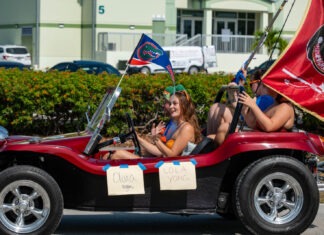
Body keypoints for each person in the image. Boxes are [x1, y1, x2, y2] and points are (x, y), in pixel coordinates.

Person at [107, 90, 202, 159]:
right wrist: (139, 138)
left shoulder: (187, 128)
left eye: (175, 103)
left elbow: (172, 155)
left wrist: (155, 139)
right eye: (170, 103)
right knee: (110, 154)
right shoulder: (177, 125)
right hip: (160, 163)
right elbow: (160, 152)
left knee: (117, 154)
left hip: (168, 167)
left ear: (184, 106)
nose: (171, 106)